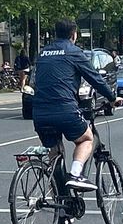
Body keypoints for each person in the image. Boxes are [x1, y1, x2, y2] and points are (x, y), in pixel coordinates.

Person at [30, 19, 118, 198]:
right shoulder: (74, 52)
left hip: (39, 113)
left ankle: (63, 208)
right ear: (74, 34)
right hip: (64, 109)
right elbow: (95, 78)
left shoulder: (43, 53)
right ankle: (76, 174)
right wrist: (112, 98)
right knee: (86, 138)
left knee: (55, 156)